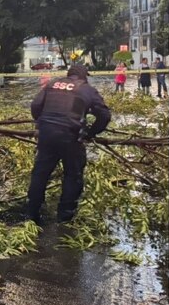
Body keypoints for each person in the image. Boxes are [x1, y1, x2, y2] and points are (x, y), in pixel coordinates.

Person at [26, 64, 111, 224]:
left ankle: (32, 213)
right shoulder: (87, 89)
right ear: (84, 76)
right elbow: (105, 115)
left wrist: (41, 124)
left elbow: (35, 106)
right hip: (70, 136)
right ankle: (65, 217)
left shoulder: (52, 84)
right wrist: (90, 133)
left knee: (40, 173)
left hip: (47, 135)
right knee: (73, 175)